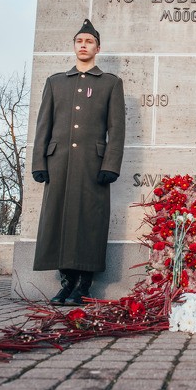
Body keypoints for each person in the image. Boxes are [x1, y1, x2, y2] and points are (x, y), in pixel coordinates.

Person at [32, 19, 126, 305]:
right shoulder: (55, 82)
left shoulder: (110, 83)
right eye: (79, 41)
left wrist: (110, 164)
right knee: (58, 220)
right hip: (59, 163)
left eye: (89, 42)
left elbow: (117, 128)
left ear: (98, 48)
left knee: (88, 222)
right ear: (74, 46)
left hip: (92, 166)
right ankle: (66, 282)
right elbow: (43, 125)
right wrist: (39, 161)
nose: (83, 46)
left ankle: (83, 284)